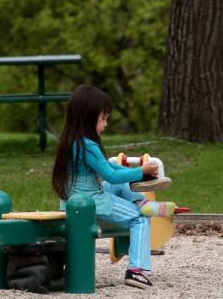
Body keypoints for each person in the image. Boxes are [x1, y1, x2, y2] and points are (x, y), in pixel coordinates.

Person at [52, 84, 176, 290]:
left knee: (115, 184)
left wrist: (131, 170)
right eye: (104, 118)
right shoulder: (87, 146)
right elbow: (111, 174)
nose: (106, 124)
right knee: (139, 218)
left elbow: (109, 168)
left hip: (74, 204)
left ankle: (142, 202)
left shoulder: (72, 142)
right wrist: (142, 172)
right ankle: (136, 271)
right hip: (90, 206)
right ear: (88, 117)